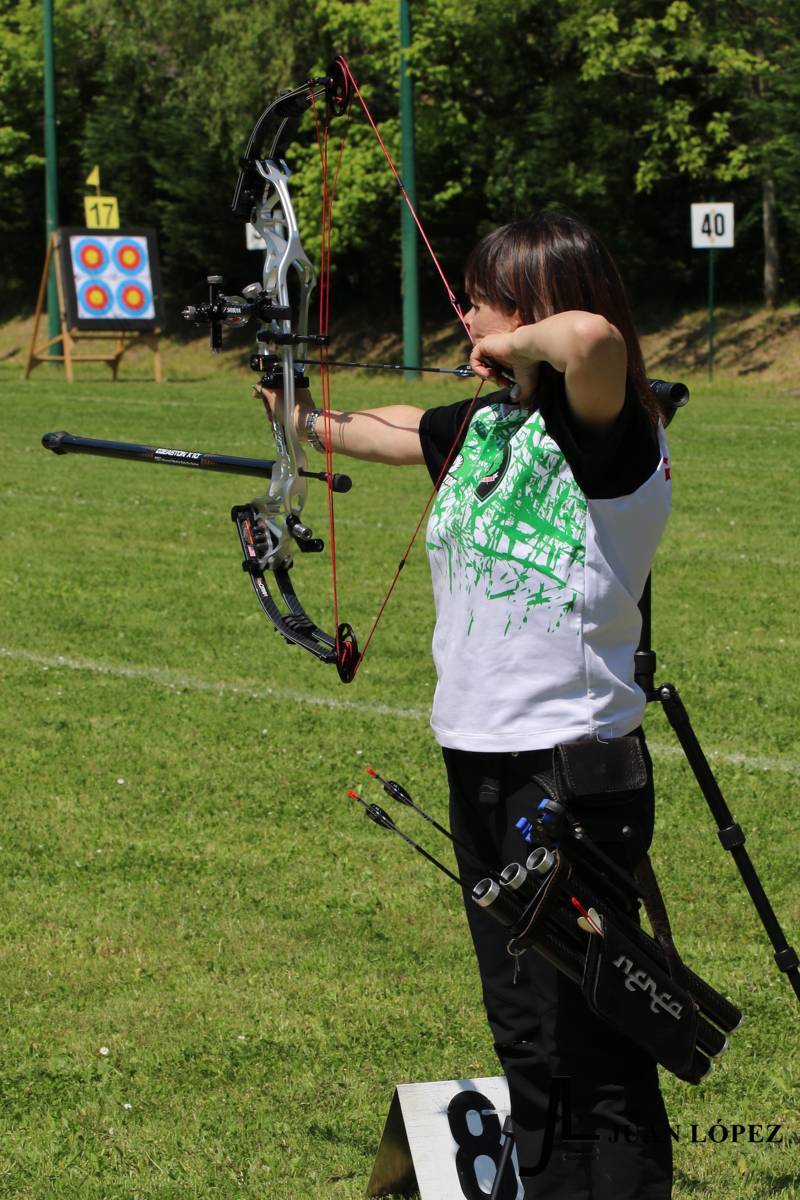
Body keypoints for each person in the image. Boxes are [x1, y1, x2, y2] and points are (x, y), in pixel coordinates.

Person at [261, 212, 674, 1199]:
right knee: (525, 1028)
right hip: (479, 761)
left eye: (486, 300)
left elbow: (592, 341)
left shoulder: (612, 431)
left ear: (535, 307)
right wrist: (291, 402)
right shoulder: (486, 427)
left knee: (593, 1035)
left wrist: (517, 341)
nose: (467, 316)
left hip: (569, 770)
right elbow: (382, 430)